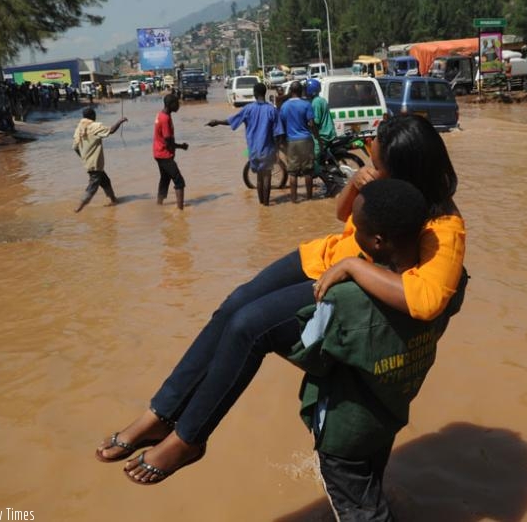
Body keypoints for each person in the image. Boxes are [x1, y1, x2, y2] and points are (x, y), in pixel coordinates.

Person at [97, 115, 465, 486]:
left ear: (405, 174)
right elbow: (343, 216)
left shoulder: (443, 225)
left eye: (378, 164)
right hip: (321, 257)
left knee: (248, 326)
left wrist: (353, 267)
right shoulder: (380, 186)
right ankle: (160, 413)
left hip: (339, 281)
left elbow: (428, 299)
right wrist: (355, 184)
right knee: (232, 306)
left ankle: (188, 438)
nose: (371, 166)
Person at [287, 178, 466, 520]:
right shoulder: (443, 288)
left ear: (377, 241)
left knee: (358, 510)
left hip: (344, 432)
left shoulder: (344, 298)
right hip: (389, 414)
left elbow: (309, 347)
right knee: (370, 487)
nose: (351, 235)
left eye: (358, 229)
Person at [206, 82, 284, 206]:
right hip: (268, 150)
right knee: (267, 177)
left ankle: (261, 205)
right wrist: (277, 150)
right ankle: (266, 206)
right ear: (264, 93)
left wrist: (217, 122)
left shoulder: (248, 109)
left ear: (255, 93)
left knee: (259, 178)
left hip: (253, 150)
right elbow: (279, 133)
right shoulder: (272, 110)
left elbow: (232, 120)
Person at [72, 107, 127, 213]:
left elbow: (74, 147)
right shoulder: (94, 126)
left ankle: (114, 200)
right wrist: (120, 121)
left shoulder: (79, 128)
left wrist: (84, 157)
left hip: (89, 163)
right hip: (95, 164)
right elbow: (110, 130)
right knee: (93, 186)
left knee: (106, 181)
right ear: (93, 116)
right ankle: (79, 206)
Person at [279, 80, 318, 202]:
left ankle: (294, 200)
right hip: (306, 140)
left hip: (291, 142)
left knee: (292, 173)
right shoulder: (306, 105)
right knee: (308, 172)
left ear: (290, 91)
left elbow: (282, 125)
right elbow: (311, 124)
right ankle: (309, 198)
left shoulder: (284, 106)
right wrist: (317, 137)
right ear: (301, 91)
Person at [153, 93, 189, 210]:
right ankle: (180, 211)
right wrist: (181, 146)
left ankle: (159, 206)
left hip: (158, 153)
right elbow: (168, 140)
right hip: (164, 155)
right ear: (171, 104)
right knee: (179, 181)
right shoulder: (165, 118)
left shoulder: (161, 114)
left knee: (165, 179)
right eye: (177, 103)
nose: (179, 105)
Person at [306, 78, 336, 168]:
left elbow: (316, 121)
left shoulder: (316, 102)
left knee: (312, 159)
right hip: (328, 132)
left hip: (323, 135)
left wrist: (306, 124)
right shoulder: (321, 100)